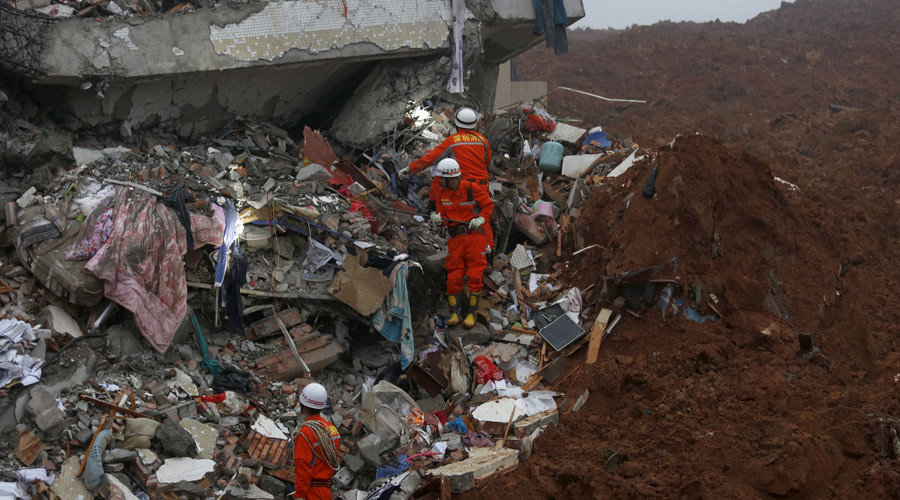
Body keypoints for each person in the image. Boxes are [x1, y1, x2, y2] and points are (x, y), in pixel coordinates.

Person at [398, 107, 495, 252]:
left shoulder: (453, 141)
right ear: (475, 125)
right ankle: (488, 254)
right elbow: (487, 162)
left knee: (439, 180)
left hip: (462, 187)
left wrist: (410, 168)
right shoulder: (482, 141)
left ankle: (435, 214)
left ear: (457, 125)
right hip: (482, 187)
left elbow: (431, 159)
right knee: (482, 218)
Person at [428, 158, 493, 329]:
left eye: (441, 178)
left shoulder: (472, 189)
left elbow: (488, 206)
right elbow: (443, 219)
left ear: (451, 177)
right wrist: (438, 220)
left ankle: (472, 313)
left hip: (474, 238)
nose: (439, 181)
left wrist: (481, 218)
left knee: (475, 275)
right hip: (455, 239)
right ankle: (455, 313)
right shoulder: (442, 194)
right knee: (453, 276)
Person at [294, 383, 340, 500]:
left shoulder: (305, 432)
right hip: (326, 492)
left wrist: (299, 495)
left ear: (302, 405)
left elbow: (303, 469)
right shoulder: (332, 429)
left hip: (311, 493)